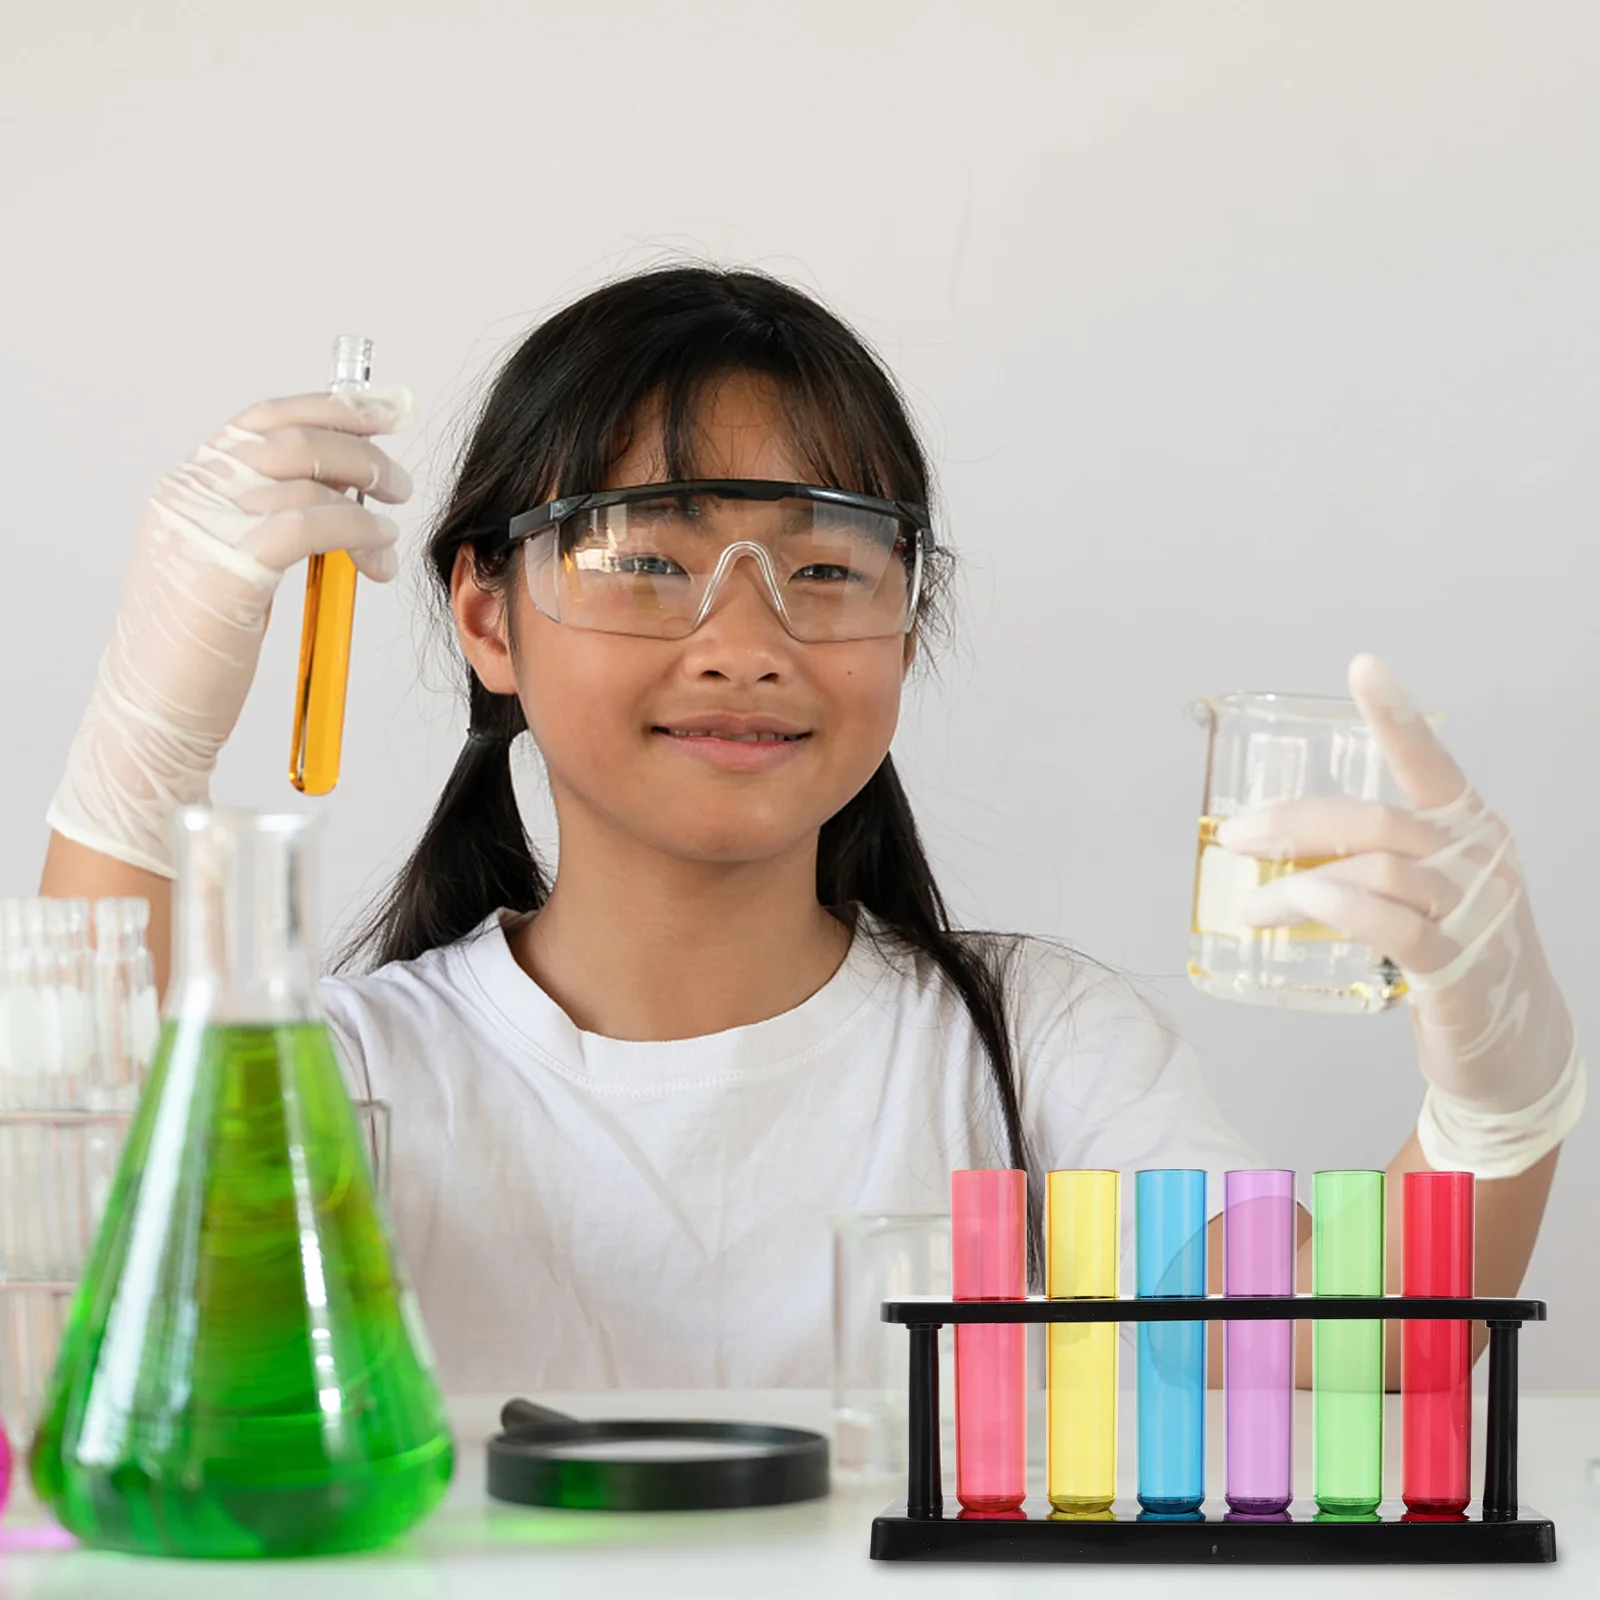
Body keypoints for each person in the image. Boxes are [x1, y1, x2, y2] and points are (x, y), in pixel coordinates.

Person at [41, 266, 1582, 1392]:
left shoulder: (1030, 1047)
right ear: (485, 612)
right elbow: (71, 1301)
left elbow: (1340, 1371)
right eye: (650, 558)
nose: (746, 637)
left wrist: (1499, 1110)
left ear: (907, 626)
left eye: (829, 567)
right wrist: (133, 771)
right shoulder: (354, 1077)